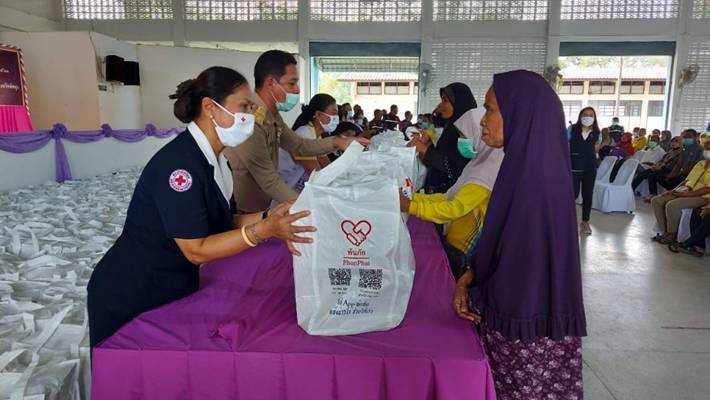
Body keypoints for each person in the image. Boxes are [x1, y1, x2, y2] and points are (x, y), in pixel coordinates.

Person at [87, 67, 316, 348]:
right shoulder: (180, 168)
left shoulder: (217, 160)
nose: (250, 116)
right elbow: (195, 249)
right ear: (210, 107)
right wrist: (263, 231)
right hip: (131, 292)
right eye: (244, 106)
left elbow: (223, 220)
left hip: (170, 285)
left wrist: (271, 216)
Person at [453, 70, 586, 400]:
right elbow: (500, 243)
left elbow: (518, 270)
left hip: (522, 330)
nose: (482, 120)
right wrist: (469, 275)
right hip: (523, 322)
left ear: (519, 114)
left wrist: (473, 289)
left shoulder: (536, 181)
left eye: (490, 110)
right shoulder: (525, 164)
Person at [224, 50, 367, 213]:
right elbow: (269, 181)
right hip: (245, 213)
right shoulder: (250, 120)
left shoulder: (271, 116)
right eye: (292, 83)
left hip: (264, 206)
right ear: (271, 83)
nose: (298, 89)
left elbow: (299, 145)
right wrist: (310, 208)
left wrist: (338, 141)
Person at [400, 107, 502, 278]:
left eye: (464, 135)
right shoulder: (477, 165)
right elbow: (448, 197)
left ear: (478, 135)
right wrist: (413, 197)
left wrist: (411, 206)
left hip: (465, 252)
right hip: (455, 240)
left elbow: (453, 209)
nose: (460, 141)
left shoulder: (486, 176)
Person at [409, 83, 477, 194]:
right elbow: (440, 154)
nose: (440, 105)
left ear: (458, 103)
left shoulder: (465, 131)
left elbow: (455, 166)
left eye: (445, 101)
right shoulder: (450, 126)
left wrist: (424, 149)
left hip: (449, 193)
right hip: (437, 188)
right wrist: (425, 148)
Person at [651, 139, 710, 245]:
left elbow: (708, 188)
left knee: (672, 205)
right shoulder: (700, 163)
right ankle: (664, 231)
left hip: (703, 196)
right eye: (706, 149)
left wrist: (689, 194)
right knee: (656, 200)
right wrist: (673, 190)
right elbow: (687, 180)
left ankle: (672, 233)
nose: (707, 151)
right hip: (687, 190)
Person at [278, 93, 338, 193]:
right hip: (284, 191)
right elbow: (315, 173)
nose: (336, 118)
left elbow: (324, 161)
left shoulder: (316, 134)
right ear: (318, 115)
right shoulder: (304, 133)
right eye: (333, 113)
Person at [568, 107, 601, 235]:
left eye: (591, 115)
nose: (588, 117)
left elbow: (596, 149)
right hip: (574, 166)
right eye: (585, 114)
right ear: (580, 116)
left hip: (590, 167)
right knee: (572, 194)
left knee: (587, 194)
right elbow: (564, 144)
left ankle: (585, 221)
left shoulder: (597, 132)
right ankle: (566, 219)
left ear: (594, 118)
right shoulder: (572, 129)